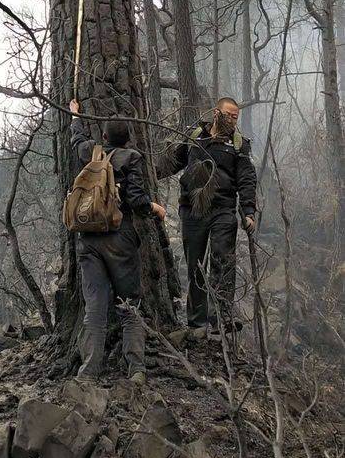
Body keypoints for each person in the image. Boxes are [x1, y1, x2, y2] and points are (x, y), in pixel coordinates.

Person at [69, 100, 166, 384]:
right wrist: (155, 208)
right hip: (120, 238)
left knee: (95, 309)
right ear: (128, 139)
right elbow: (136, 200)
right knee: (129, 305)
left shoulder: (91, 153)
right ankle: (135, 368)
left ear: (106, 137)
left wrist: (76, 115)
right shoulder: (132, 158)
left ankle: (88, 372)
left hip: (88, 240)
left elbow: (77, 141)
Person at [158, 96, 256, 337]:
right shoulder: (195, 136)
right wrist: (149, 175)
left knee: (223, 261)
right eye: (229, 115)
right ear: (216, 113)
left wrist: (249, 211)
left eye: (236, 117)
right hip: (192, 209)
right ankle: (196, 323)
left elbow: (246, 179)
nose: (233, 120)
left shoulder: (239, 145)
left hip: (223, 209)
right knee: (195, 264)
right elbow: (173, 162)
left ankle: (222, 318)